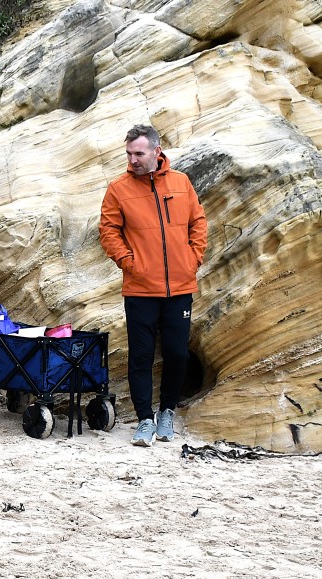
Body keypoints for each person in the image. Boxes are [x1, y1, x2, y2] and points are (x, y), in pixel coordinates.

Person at [98, 123, 208, 446]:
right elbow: (108, 232)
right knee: (141, 356)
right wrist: (130, 264)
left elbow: (197, 222)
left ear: (156, 152)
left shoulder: (181, 183)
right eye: (129, 153)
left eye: (138, 153)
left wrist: (193, 259)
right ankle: (145, 419)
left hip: (180, 287)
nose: (132, 160)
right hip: (140, 290)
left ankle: (168, 413)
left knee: (177, 355)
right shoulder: (118, 189)